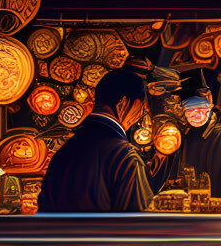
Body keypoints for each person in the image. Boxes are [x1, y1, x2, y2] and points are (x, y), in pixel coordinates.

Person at [38, 67, 153, 212]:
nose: (139, 116)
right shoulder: (125, 155)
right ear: (123, 103)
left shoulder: (63, 152)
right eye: (140, 108)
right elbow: (136, 224)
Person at [171, 71, 221, 197]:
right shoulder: (182, 138)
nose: (196, 114)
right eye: (189, 109)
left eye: (200, 107)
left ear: (210, 100)